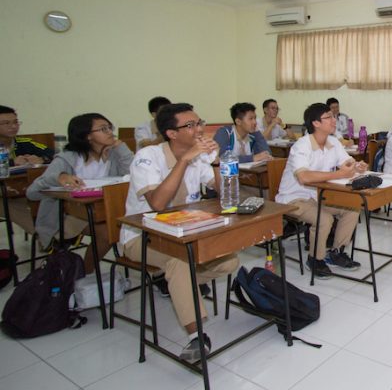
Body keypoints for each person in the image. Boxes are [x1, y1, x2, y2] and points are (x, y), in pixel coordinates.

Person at [122, 103, 238, 362]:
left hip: (184, 232)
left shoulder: (199, 156)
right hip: (143, 235)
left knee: (229, 260)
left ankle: (175, 283)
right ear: (171, 133)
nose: (200, 130)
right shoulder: (147, 157)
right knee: (179, 261)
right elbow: (158, 204)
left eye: (200, 123)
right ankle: (196, 336)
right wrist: (184, 160)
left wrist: (218, 161)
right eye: (191, 125)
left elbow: (223, 192)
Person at [27, 113, 133, 270]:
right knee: (108, 232)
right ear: (88, 136)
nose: (110, 132)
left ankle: (84, 272)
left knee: (115, 227)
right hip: (67, 214)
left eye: (110, 127)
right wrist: (59, 177)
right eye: (103, 129)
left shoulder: (112, 154)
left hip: (101, 210)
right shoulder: (68, 158)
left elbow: (134, 174)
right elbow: (32, 192)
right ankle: (86, 271)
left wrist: (121, 148)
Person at [275, 102, 365, 279]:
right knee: (324, 219)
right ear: (316, 123)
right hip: (294, 199)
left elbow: (347, 162)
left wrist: (358, 166)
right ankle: (315, 259)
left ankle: (336, 252)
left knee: (352, 208)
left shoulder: (332, 142)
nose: (334, 120)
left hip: (316, 196)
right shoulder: (301, 146)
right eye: (329, 117)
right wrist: (339, 173)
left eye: (333, 116)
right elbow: (304, 177)